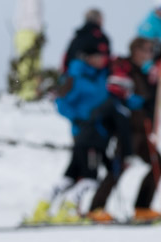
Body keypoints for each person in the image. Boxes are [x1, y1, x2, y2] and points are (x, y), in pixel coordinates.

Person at [27, 42, 130, 223]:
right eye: (98, 56)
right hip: (87, 135)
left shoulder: (101, 78)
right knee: (89, 178)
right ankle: (68, 210)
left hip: (92, 136)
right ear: (89, 57)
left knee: (70, 177)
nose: (102, 60)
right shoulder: (75, 77)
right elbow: (61, 102)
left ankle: (42, 208)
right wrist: (81, 117)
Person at [90, 38, 161, 222]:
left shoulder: (146, 73)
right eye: (146, 50)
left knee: (157, 165)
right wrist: (131, 100)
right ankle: (95, 209)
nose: (149, 54)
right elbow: (116, 92)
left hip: (143, 131)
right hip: (127, 131)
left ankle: (142, 208)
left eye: (151, 50)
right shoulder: (124, 67)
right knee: (118, 167)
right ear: (136, 50)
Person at [62, 8, 111, 74]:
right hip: (95, 75)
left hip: (73, 75)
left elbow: (66, 57)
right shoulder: (101, 37)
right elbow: (106, 57)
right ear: (99, 19)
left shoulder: (77, 37)